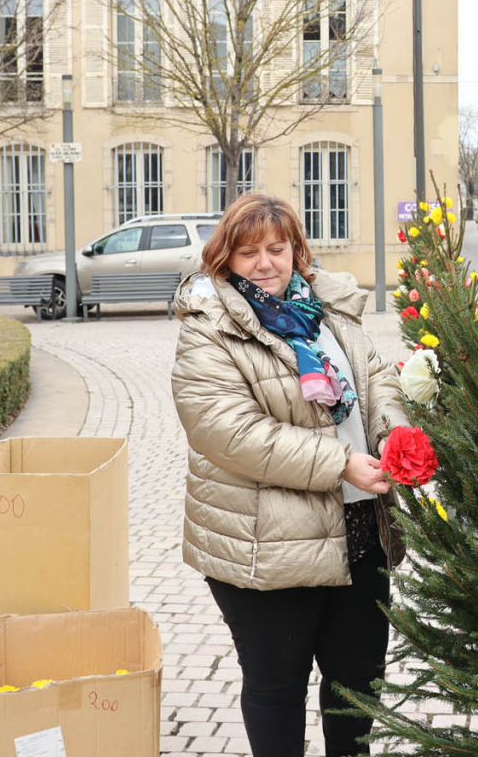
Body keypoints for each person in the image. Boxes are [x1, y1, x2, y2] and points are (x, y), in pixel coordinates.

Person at [170, 191, 406, 757]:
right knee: (278, 687)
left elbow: (376, 379)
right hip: (267, 537)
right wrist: (340, 463)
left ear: (297, 251)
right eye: (248, 253)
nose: (265, 264)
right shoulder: (210, 327)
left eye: (276, 249)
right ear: (225, 258)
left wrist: (392, 436)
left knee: (356, 686)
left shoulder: (328, 309)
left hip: (358, 528)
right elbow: (228, 432)